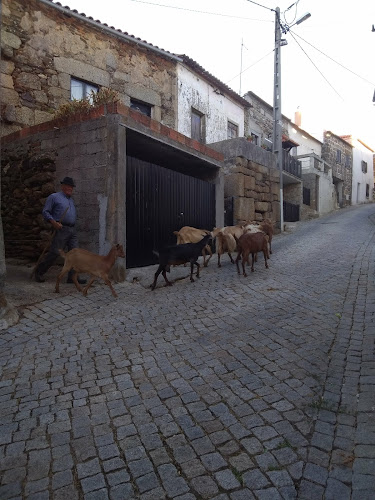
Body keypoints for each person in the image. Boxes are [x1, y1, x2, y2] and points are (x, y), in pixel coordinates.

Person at [35, 176, 87, 284]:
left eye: (71, 187)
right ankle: (39, 271)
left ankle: (72, 277)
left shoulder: (71, 200)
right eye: (68, 186)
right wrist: (54, 223)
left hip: (72, 230)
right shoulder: (54, 197)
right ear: (62, 186)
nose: (70, 188)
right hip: (61, 228)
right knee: (55, 252)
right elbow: (45, 212)